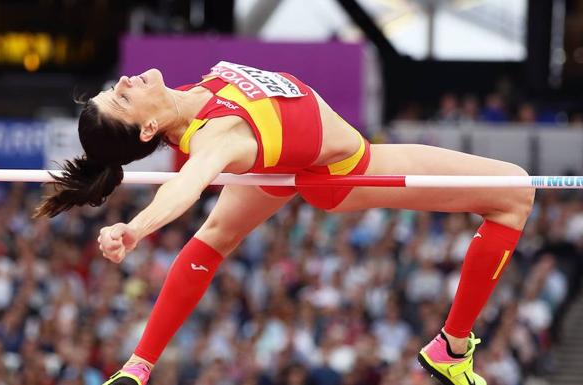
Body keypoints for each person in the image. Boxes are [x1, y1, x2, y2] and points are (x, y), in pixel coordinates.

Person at [34, 62, 535, 385]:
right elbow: (187, 185)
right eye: (120, 99)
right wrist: (136, 229)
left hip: (279, 169)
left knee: (215, 239)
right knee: (515, 192)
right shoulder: (220, 136)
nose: (122, 83)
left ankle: (136, 370)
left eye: (111, 89)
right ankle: (451, 347)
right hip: (344, 172)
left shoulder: (186, 100)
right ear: (147, 127)